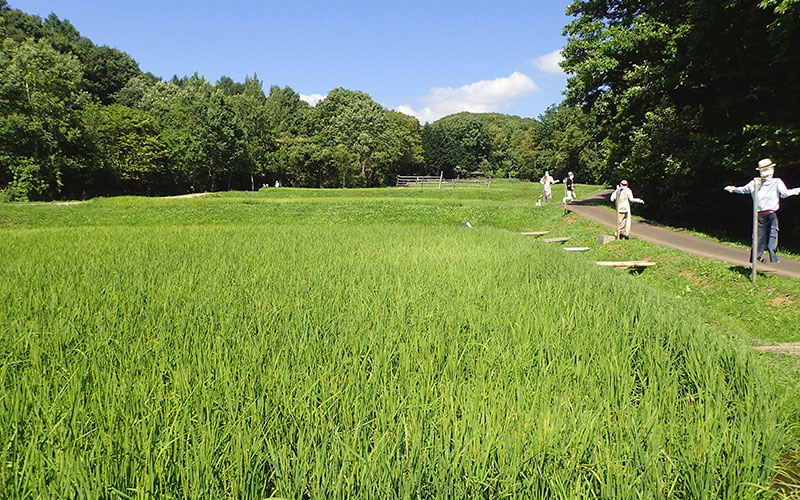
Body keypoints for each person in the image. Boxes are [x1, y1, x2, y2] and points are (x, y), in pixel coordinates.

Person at [724, 158, 800, 263]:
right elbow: (785, 194)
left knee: (759, 236)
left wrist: (733, 189)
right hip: (768, 213)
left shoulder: (757, 182)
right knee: (771, 234)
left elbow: (743, 190)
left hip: (761, 214)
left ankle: (759, 255)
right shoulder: (768, 182)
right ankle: (768, 254)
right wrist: (797, 191)